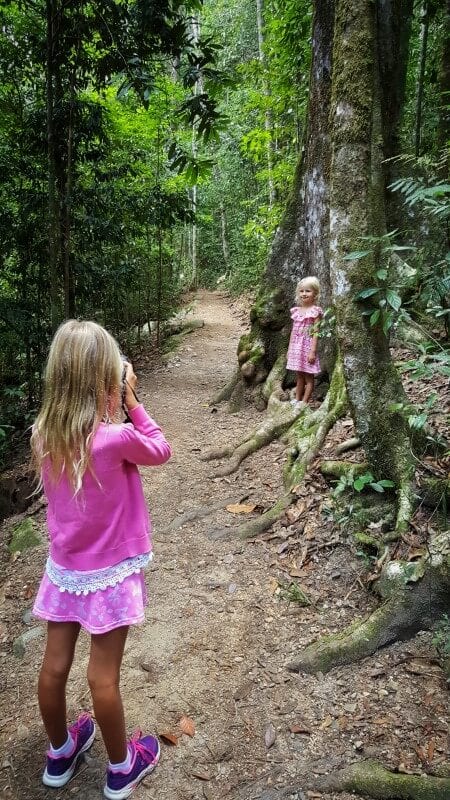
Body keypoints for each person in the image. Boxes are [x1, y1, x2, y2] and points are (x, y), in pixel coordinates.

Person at [30, 320, 172, 800]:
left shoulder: (42, 436)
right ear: (104, 382)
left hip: (65, 572)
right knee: (102, 677)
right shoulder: (115, 438)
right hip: (109, 577)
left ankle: (60, 752)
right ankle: (121, 767)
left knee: (53, 668)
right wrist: (132, 402)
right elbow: (160, 449)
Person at [286, 276, 323, 404]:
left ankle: (304, 402)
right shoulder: (297, 311)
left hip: (307, 348)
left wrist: (312, 351)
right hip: (297, 348)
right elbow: (293, 332)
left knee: (309, 377)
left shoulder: (315, 312)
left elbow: (315, 333)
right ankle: (297, 399)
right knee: (299, 376)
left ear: (315, 294)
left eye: (308, 291)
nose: (304, 294)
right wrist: (290, 349)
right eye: (301, 291)